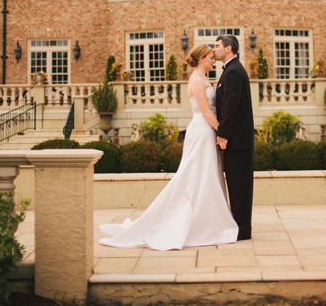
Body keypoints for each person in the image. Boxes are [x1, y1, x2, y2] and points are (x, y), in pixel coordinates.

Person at [99, 44, 239, 250]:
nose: (213, 59)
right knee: (194, 175)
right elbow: (206, 112)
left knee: (206, 175)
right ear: (201, 59)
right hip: (202, 130)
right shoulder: (196, 80)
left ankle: (208, 217)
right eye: (210, 57)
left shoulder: (204, 78)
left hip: (206, 130)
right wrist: (223, 133)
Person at [213, 34, 254, 241]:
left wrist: (223, 136)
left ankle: (242, 230)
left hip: (237, 141)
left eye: (217, 45)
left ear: (228, 48)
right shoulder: (231, 70)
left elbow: (230, 108)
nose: (214, 49)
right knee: (238, 186)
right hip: (237, 140)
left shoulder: (234, 72)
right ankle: (241, 227)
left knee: (239, 187)